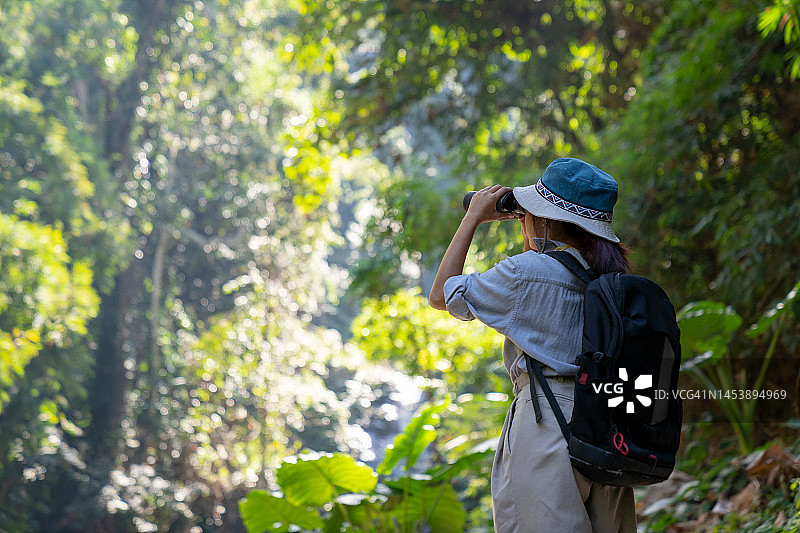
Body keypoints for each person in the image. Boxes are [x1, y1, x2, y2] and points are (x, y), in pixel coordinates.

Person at [429, 158, 637, 533]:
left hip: (549, 424)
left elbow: (442, 296)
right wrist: (534, 228)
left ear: (545, 220)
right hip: (608, 423)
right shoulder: (613, 279)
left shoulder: (525, 274)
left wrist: (473, 217)